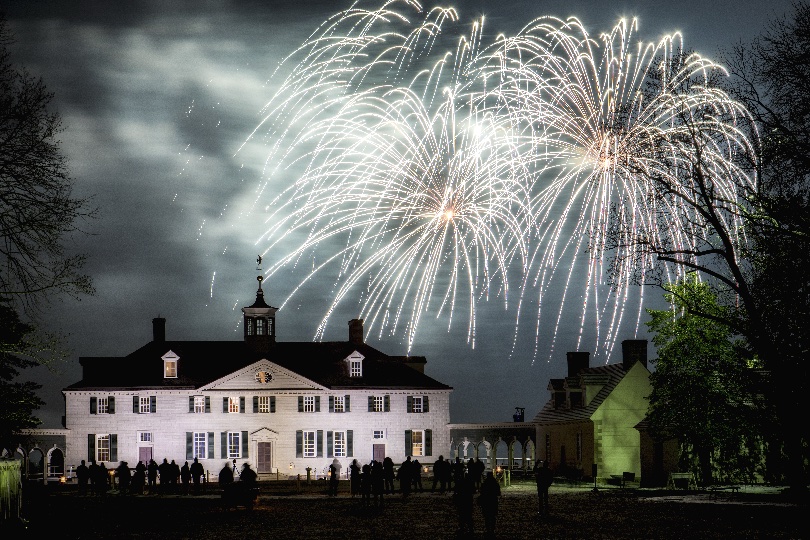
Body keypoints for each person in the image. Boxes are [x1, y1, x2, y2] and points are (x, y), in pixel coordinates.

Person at [479, 471, 502, 536]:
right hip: (493, 501)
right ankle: (492, 530)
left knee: (487, 517)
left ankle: (488, 530)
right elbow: (498, 493)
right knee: (493, 516)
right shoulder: (495, 483)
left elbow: (482, 492)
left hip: (486, 501)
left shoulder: (485, 483)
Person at [453, 471, 475, 536]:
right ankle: (470, 529)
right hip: (468, 501)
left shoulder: (460, 482)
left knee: (462, 516)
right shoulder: (469, 483)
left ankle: (462, 528)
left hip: (462, 501)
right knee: (468, 516)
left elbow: (456, 490)